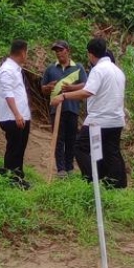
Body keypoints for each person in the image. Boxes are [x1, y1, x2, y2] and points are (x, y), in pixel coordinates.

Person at [59, 38, 128, 188]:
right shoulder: (117, 71)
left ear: (90, 54)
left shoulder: (98, 70)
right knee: (111, 152)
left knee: (80, 147)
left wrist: (64, 96)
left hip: (99, 119)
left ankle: (92, 179)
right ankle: (117, 184)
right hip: (116, 119)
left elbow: (87, 92)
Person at [41, 40, 87, 177]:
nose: (58, 53)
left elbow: (86, 85)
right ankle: (61, 169)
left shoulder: (78, 67)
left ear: (68, 50)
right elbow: (43, 89)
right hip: (56, 109)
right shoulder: (50, 69)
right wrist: (48, 87)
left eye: (61, 50)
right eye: (56, 51)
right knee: (58, 138)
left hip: (72, 108)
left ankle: (70, 168)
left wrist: (71, 88)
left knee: (71, 139)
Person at [0, 40, 31, 182]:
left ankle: (18, 177)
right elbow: (8, 94)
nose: (26, 55)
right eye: (26, 52)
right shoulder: (7, 70)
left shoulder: (16, 69)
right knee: (14, 149)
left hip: (21, 116)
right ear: (22, 53)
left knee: (20, 149)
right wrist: (17, 114)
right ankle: (10, 179)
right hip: (12, 117)